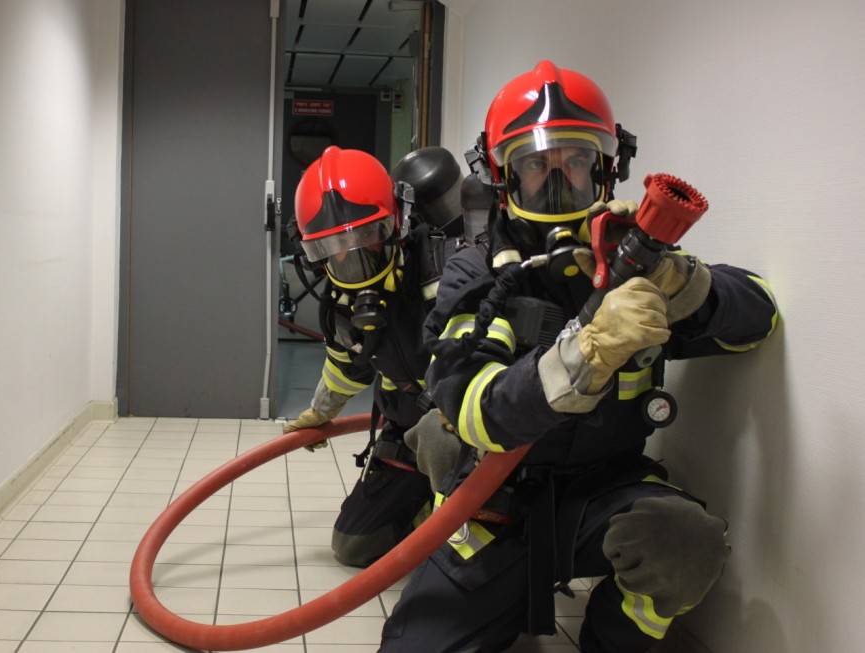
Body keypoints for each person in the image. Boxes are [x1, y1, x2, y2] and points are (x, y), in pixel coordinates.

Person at [379, 60, 779, 652]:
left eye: (576, 160)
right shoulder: (475, 273)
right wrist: (585, 352)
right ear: (501, 176)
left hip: (605, 487)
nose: (557, 178)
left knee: (683, 540)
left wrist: (683, 283)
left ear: (607, 169)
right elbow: (471, 408)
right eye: (535, 162)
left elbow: (759, 317)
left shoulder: (633, 267)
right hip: (496, 496)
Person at [284, 145, 465, 567]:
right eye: (335, 246)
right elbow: (347, 365)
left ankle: (463, 529)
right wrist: (320, 411)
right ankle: (425, 508)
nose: (353, 257)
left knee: (445, 455)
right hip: (404, 429)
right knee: (354, 545)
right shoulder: (342, 303)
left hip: (464, 433)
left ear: (395, 224)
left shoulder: (444, 270)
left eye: (366, 235)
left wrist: (459, 406)